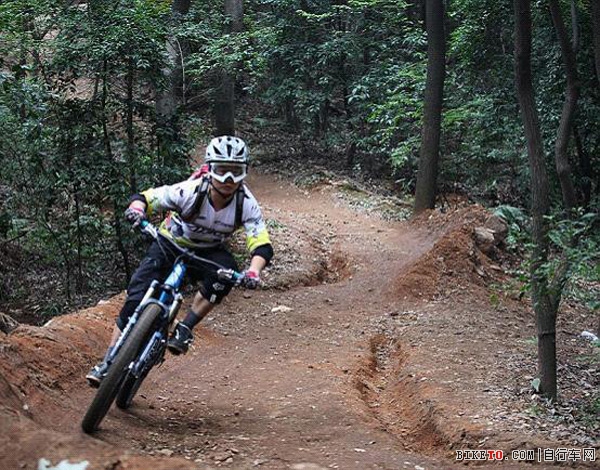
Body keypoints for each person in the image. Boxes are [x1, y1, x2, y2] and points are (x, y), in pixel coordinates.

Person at [86, 136, 274, 387]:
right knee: (135, 299)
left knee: (225, 275)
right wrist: (137, 210)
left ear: (245, 172)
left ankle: (185, 328)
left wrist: (253, 271)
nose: (228, 179)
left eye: (235, 172)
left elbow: (261, 242)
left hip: (208, 252)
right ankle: (108, 362)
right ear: (209, 169)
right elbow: (147, 198)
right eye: (221, 170)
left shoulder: (246, 204)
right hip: (170, 243)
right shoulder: (190, 191)